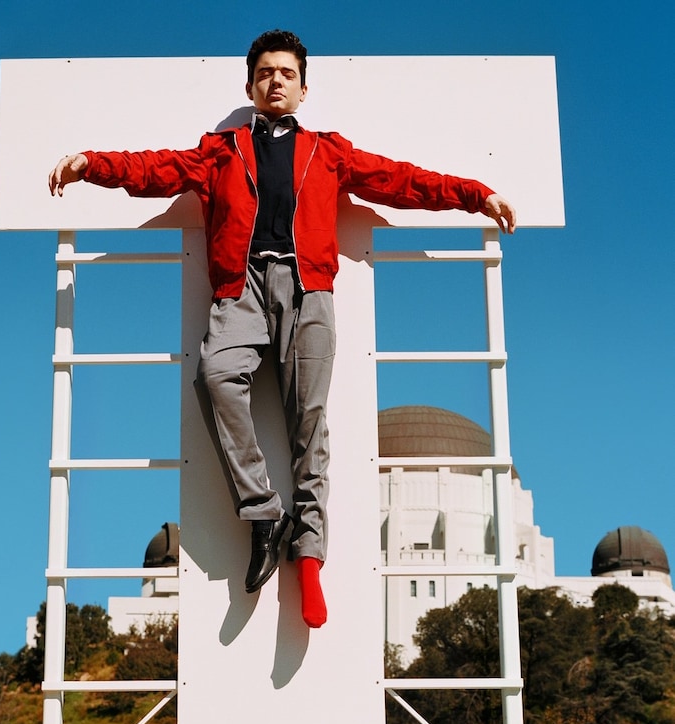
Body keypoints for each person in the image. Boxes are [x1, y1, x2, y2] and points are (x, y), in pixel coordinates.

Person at [49, 29, 516, 631]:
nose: (276, 81)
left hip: (308, 288)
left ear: (302, 87)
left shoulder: (329, 152)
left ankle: (310, 557)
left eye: (287, 73)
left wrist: (477, 196)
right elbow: (155, 170)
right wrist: (92, 164)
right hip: (239, 286)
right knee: (215, 374)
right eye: (265, 72)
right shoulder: (220, 151)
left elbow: (401, 180)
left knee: (310, 422)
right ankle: (264, 512)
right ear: (250, 86)